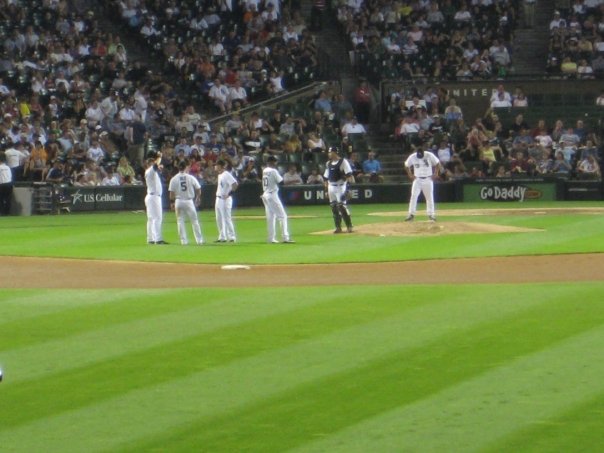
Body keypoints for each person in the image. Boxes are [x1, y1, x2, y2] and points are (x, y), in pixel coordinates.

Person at [168, 160, 204, 245]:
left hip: (179, 201)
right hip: (189, 201)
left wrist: (172, 202)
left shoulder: (174, 178)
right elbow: (198, 188)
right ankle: (199, 240)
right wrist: (198, 198)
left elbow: (171, 193)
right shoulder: (190, 177)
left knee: (180, 221)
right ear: (186, 167)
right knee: (194, 221)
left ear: (178, 167)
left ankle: (183, 241)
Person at [261, 155, 294, 244]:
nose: (276, 163)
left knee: (271, 218)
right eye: (275, 162)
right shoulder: (273, 170)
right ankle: (285, 238)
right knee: (282, 216)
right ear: (271, 162)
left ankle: (271, 238)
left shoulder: (264, 170)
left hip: (265, 195)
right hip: (272, 195)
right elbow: (281, 182)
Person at [323, 147, 355, 233]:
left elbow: (349, 176)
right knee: (333, 207)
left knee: (342, 206)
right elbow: (325, 178)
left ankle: (349, 226)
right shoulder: (328, 163)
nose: (329, 154)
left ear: (335, 153)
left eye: (330, 152)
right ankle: (338, 227)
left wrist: (348, 189)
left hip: (340, 186)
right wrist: (326, 190)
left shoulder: (343, 162)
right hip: (331, 186)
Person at [404, 147, 441, 222]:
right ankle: (411, 214)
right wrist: (410, 174)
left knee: (429, 197)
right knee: (414, 196)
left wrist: (436, 173)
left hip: (428, 178)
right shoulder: (413, 156)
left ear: (423, 152)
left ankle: (431, 214)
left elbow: (438, 163)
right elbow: (406, 165)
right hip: (417, 179)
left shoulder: (429, 155)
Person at [144, 152, 166, 244]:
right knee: (157, 218)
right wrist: (160, 156)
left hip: (151, 196)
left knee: (151, 218)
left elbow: (157, 168)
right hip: (154, 197)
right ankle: (158, 239)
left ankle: (150, 239)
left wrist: (159, 168)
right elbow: (156, 166)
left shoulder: (149, 172)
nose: (155, 164)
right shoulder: (150, 170)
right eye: (152, 163)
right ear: (150, 164)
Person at [214, 159, 238, 242]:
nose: (215, 166)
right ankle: (222, 237)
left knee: (227, 218)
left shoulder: (226, 174)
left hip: (225, 199)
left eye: (216, 165)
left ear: (220, 166)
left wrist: (229, 194)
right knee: (219, 219)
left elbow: (235, 184)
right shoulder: (220, 175)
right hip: (218, 198)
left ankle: (232, 237)